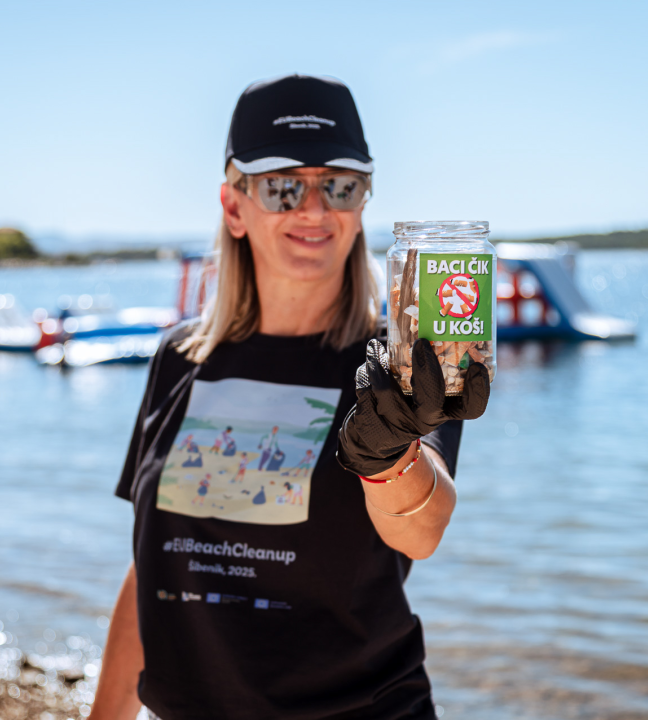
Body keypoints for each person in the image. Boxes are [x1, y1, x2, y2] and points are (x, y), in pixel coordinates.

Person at [90, 74, 490, 720]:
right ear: (233, 207)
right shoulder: (178, 358)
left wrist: (386, 455)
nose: (313, 210)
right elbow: (152, 574)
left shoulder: (398, 365)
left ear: (362, 203)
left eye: (339, 185)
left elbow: (420, 529)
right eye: (281, 187)